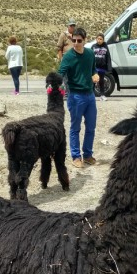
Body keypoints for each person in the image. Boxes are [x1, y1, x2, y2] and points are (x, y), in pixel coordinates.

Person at [58, 27, 99, 169]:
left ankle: (87, 155)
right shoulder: (68, 57)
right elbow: (60, 73)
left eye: (79, 40)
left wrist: (95, 74)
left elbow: (93, 69)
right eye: (73, 40)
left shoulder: (90, 54)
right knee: (75, 127)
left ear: (85, 40)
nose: (76, 43)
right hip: (75, 96)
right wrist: (58, 87)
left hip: (90, 95)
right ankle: (76, 156)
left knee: (91, 127)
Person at [90, 32, 112, 101]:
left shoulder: (105, 47)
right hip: (95, 67)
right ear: (96, 39)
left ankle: (102, 95)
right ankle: (92, 95)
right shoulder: (93, 46)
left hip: (102, 68)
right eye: (98, 39)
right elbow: (90, 57)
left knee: (101, 81)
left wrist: (109, 68)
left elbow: (108, 57)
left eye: (101, 39)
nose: (99, 40)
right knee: (93, 81)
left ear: (103, 40)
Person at [57, 19, 76, 97]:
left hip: (75, 58)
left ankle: (72, 92)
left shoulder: (76, 35)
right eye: (71, 26)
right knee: (65, 77)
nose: (72, 27)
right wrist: (60, 58)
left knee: (74, 76)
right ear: (68, 26)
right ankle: (67, 93)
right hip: (65, 58)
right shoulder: (63, 35)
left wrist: (72, 38)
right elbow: (59, 47)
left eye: (73, 26)